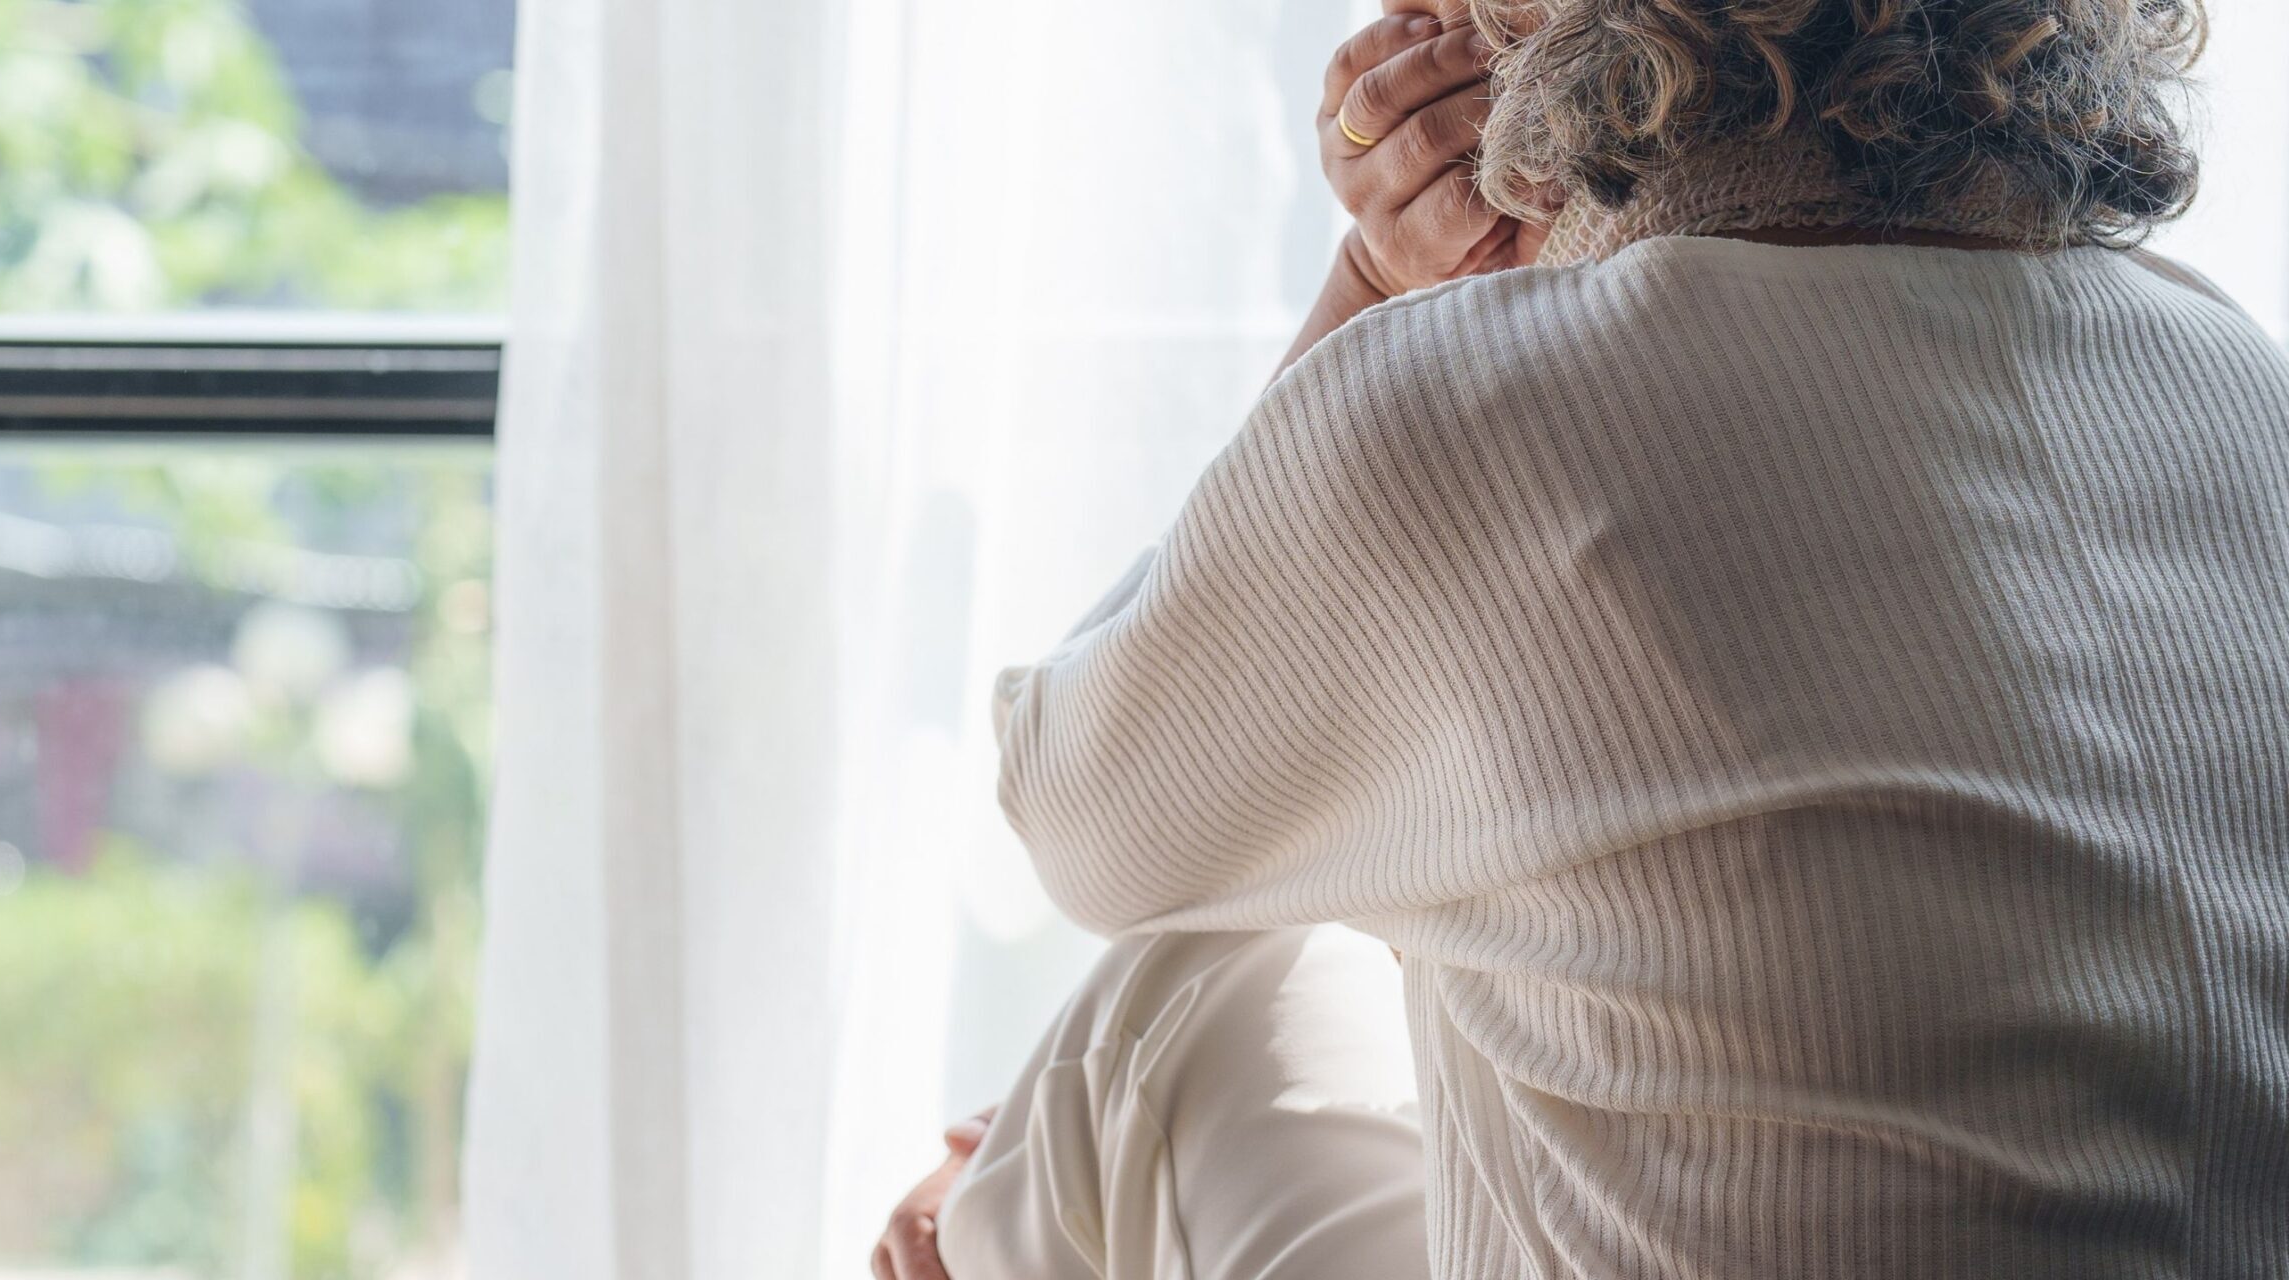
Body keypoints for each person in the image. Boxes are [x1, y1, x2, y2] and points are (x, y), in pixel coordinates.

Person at [872, 0, 2289, 1276]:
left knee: (1178, 1005)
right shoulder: (2243, 391)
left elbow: (1076, 804)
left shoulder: (1479, 418)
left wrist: (1373, 297)